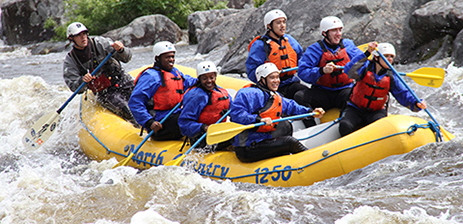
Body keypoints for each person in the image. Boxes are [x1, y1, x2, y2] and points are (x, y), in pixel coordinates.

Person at [230, 62, 325, 163]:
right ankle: (312, 161)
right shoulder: (248, 94)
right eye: (272, 77)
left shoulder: (275, 95)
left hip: (263, 139)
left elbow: (292, 106)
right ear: (262, 79)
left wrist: (311, 112)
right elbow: (237, 114)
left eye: (277, 77)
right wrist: (258, 120)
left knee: (285, 125)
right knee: (290, 142)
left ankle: (283, 158)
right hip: (248, 147)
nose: (276, 81)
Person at [338, 42, 427, 136]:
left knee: (380, 131)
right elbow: (349, 70)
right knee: (345, 126)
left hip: (376, 112)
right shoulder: (364, 68)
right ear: (376, 57)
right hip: (355, 108)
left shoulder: (392, 77)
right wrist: (367, 53)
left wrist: (416, 103)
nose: (390, 59)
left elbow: (403, 93)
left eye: (392, 57)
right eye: (386, 56)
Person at [63, 22, 135, 123]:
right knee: (126, 110)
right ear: (71, 39)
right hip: (105, 92)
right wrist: (82, 80)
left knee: (144, 98)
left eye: (84, 34)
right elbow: (74, 87)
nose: (83, 37)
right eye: (78, 35)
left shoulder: (100, 43)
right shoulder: (71, 60)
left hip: (121, 79)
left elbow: (127, 58)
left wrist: (121, 50)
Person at [129, 41, 197, 141]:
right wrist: (149, 122)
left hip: (176, 116)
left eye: (172, 56)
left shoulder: (175, 72)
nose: (171, 60)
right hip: (160, 125)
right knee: (185, 120)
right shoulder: (150, 76)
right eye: (167, 57)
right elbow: (135, 102)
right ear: (157, 58)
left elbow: (189, 82)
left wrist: (205, 79)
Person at [296, 16, 364, 113]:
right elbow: (302, 72)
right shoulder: (314, 49)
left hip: (344, 91)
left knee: (357, 94)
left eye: (340, 30)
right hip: (323, 93)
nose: (338, 34)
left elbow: (363, 64)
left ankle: (347, 119)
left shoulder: (348, 45)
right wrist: (321, 71)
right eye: (334, 31)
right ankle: (312, 123)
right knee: (299, 96)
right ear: (324, 33)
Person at [246, 9, 307, 102]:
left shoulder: (290, 40)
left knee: (305, 94)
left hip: (291, 82)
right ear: (269, 26)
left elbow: (302, 60)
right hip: (272, 86)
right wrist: (268, 82)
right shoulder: (260, 45)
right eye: (278, 23)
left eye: (284, 22)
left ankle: (309, 115)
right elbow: (252, 71)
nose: (282, 25)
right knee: (280, 101)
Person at [178, 61, 233, 151]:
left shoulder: (222, 92)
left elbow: (235, 111)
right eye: (204, 78)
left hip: (218, 134)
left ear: (215, 77)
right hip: (201, 139)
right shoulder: (196, 96)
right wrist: (203, 128)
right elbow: (184, 124)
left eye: (212, 77)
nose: (209, 81)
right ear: (199, 79)